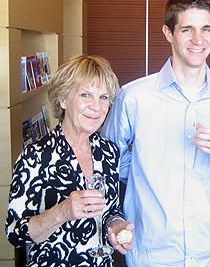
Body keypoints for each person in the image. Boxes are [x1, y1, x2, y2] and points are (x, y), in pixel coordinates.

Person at [101, 0, 210, 266]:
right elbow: (107, 159)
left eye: (206, 29)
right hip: (151, 252)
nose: (198, 40)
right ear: (168, 32)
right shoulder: (134, 97)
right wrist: (141, 170)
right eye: (187, 29)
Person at [6, 55, 134, 266]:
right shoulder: (35, 156)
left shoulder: (108, 152)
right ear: (63, 99)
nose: (97, 106)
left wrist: (116, 224)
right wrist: (62, 212)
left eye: (103, 97)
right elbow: (15, 233)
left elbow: (111, 210)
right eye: (86, 95)